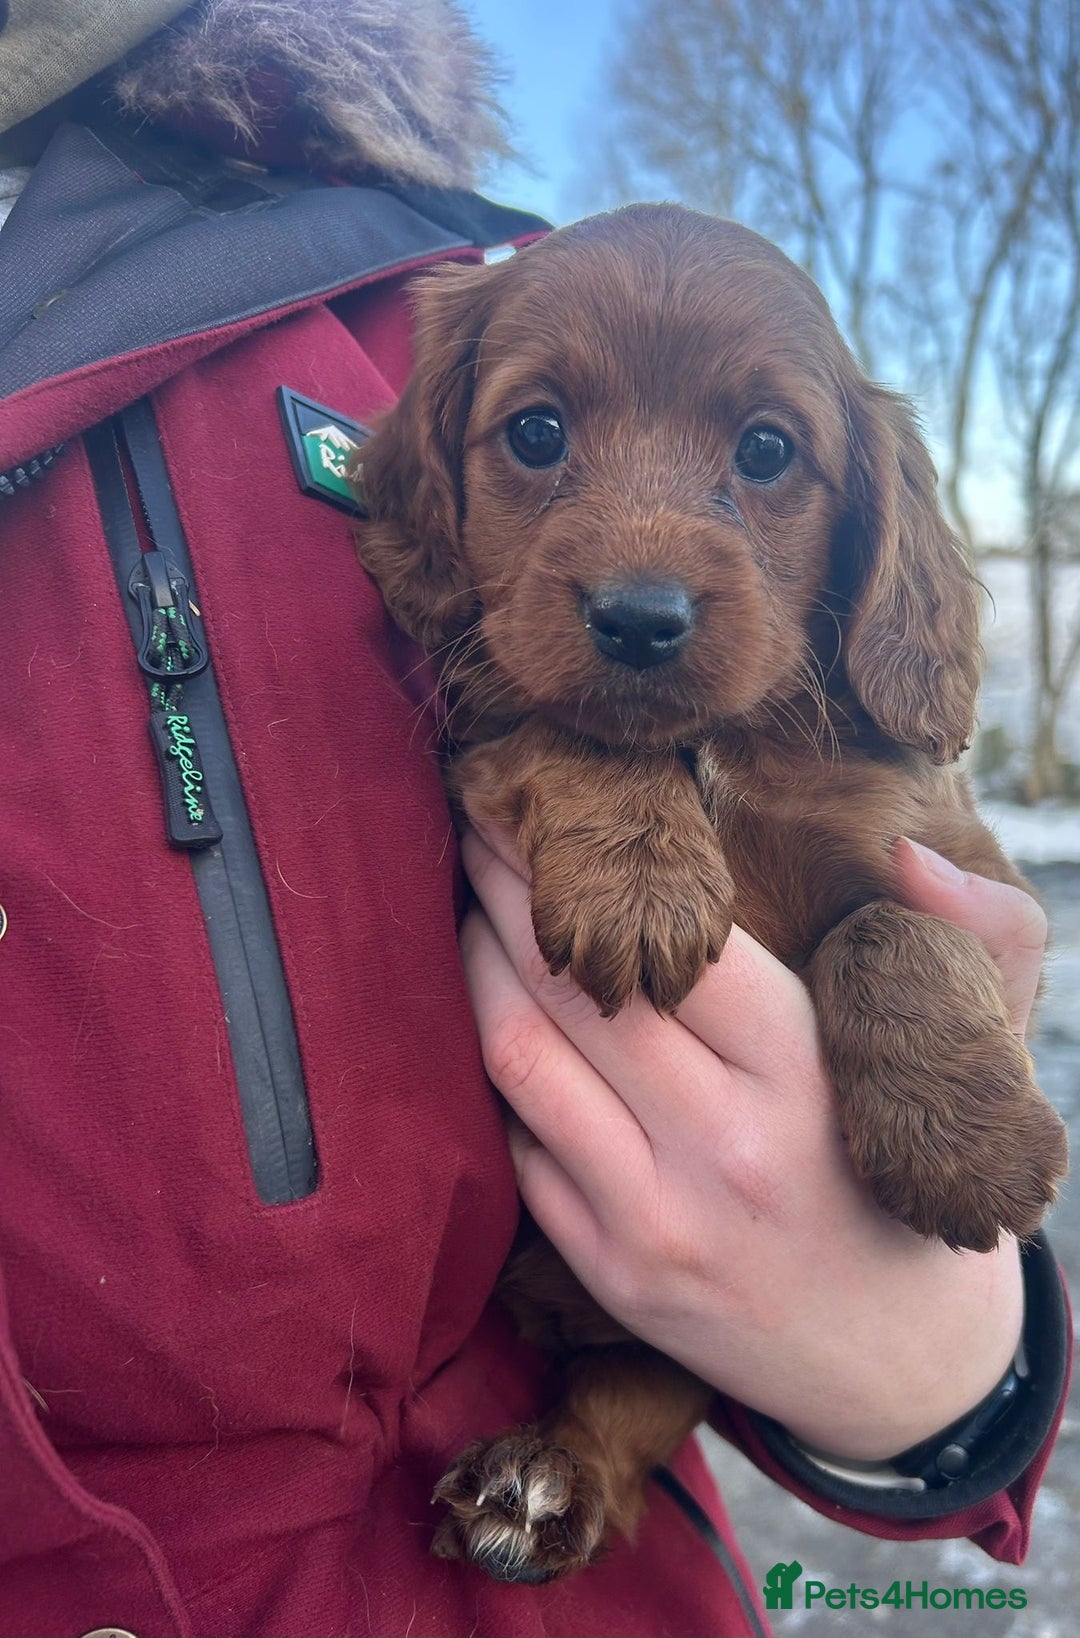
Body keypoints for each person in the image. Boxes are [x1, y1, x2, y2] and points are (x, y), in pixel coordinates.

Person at [0, 3, 1068, 1635]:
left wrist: (949, 1369)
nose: (643, 563)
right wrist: (602, 782)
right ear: (436, 479)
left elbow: (944, 891)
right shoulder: (430, 442)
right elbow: (460, 722)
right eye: (546, 439)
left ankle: (592, 1453)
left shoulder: (389, 276)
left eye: (763, 454)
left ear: (862, 518)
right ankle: (575, 1458)